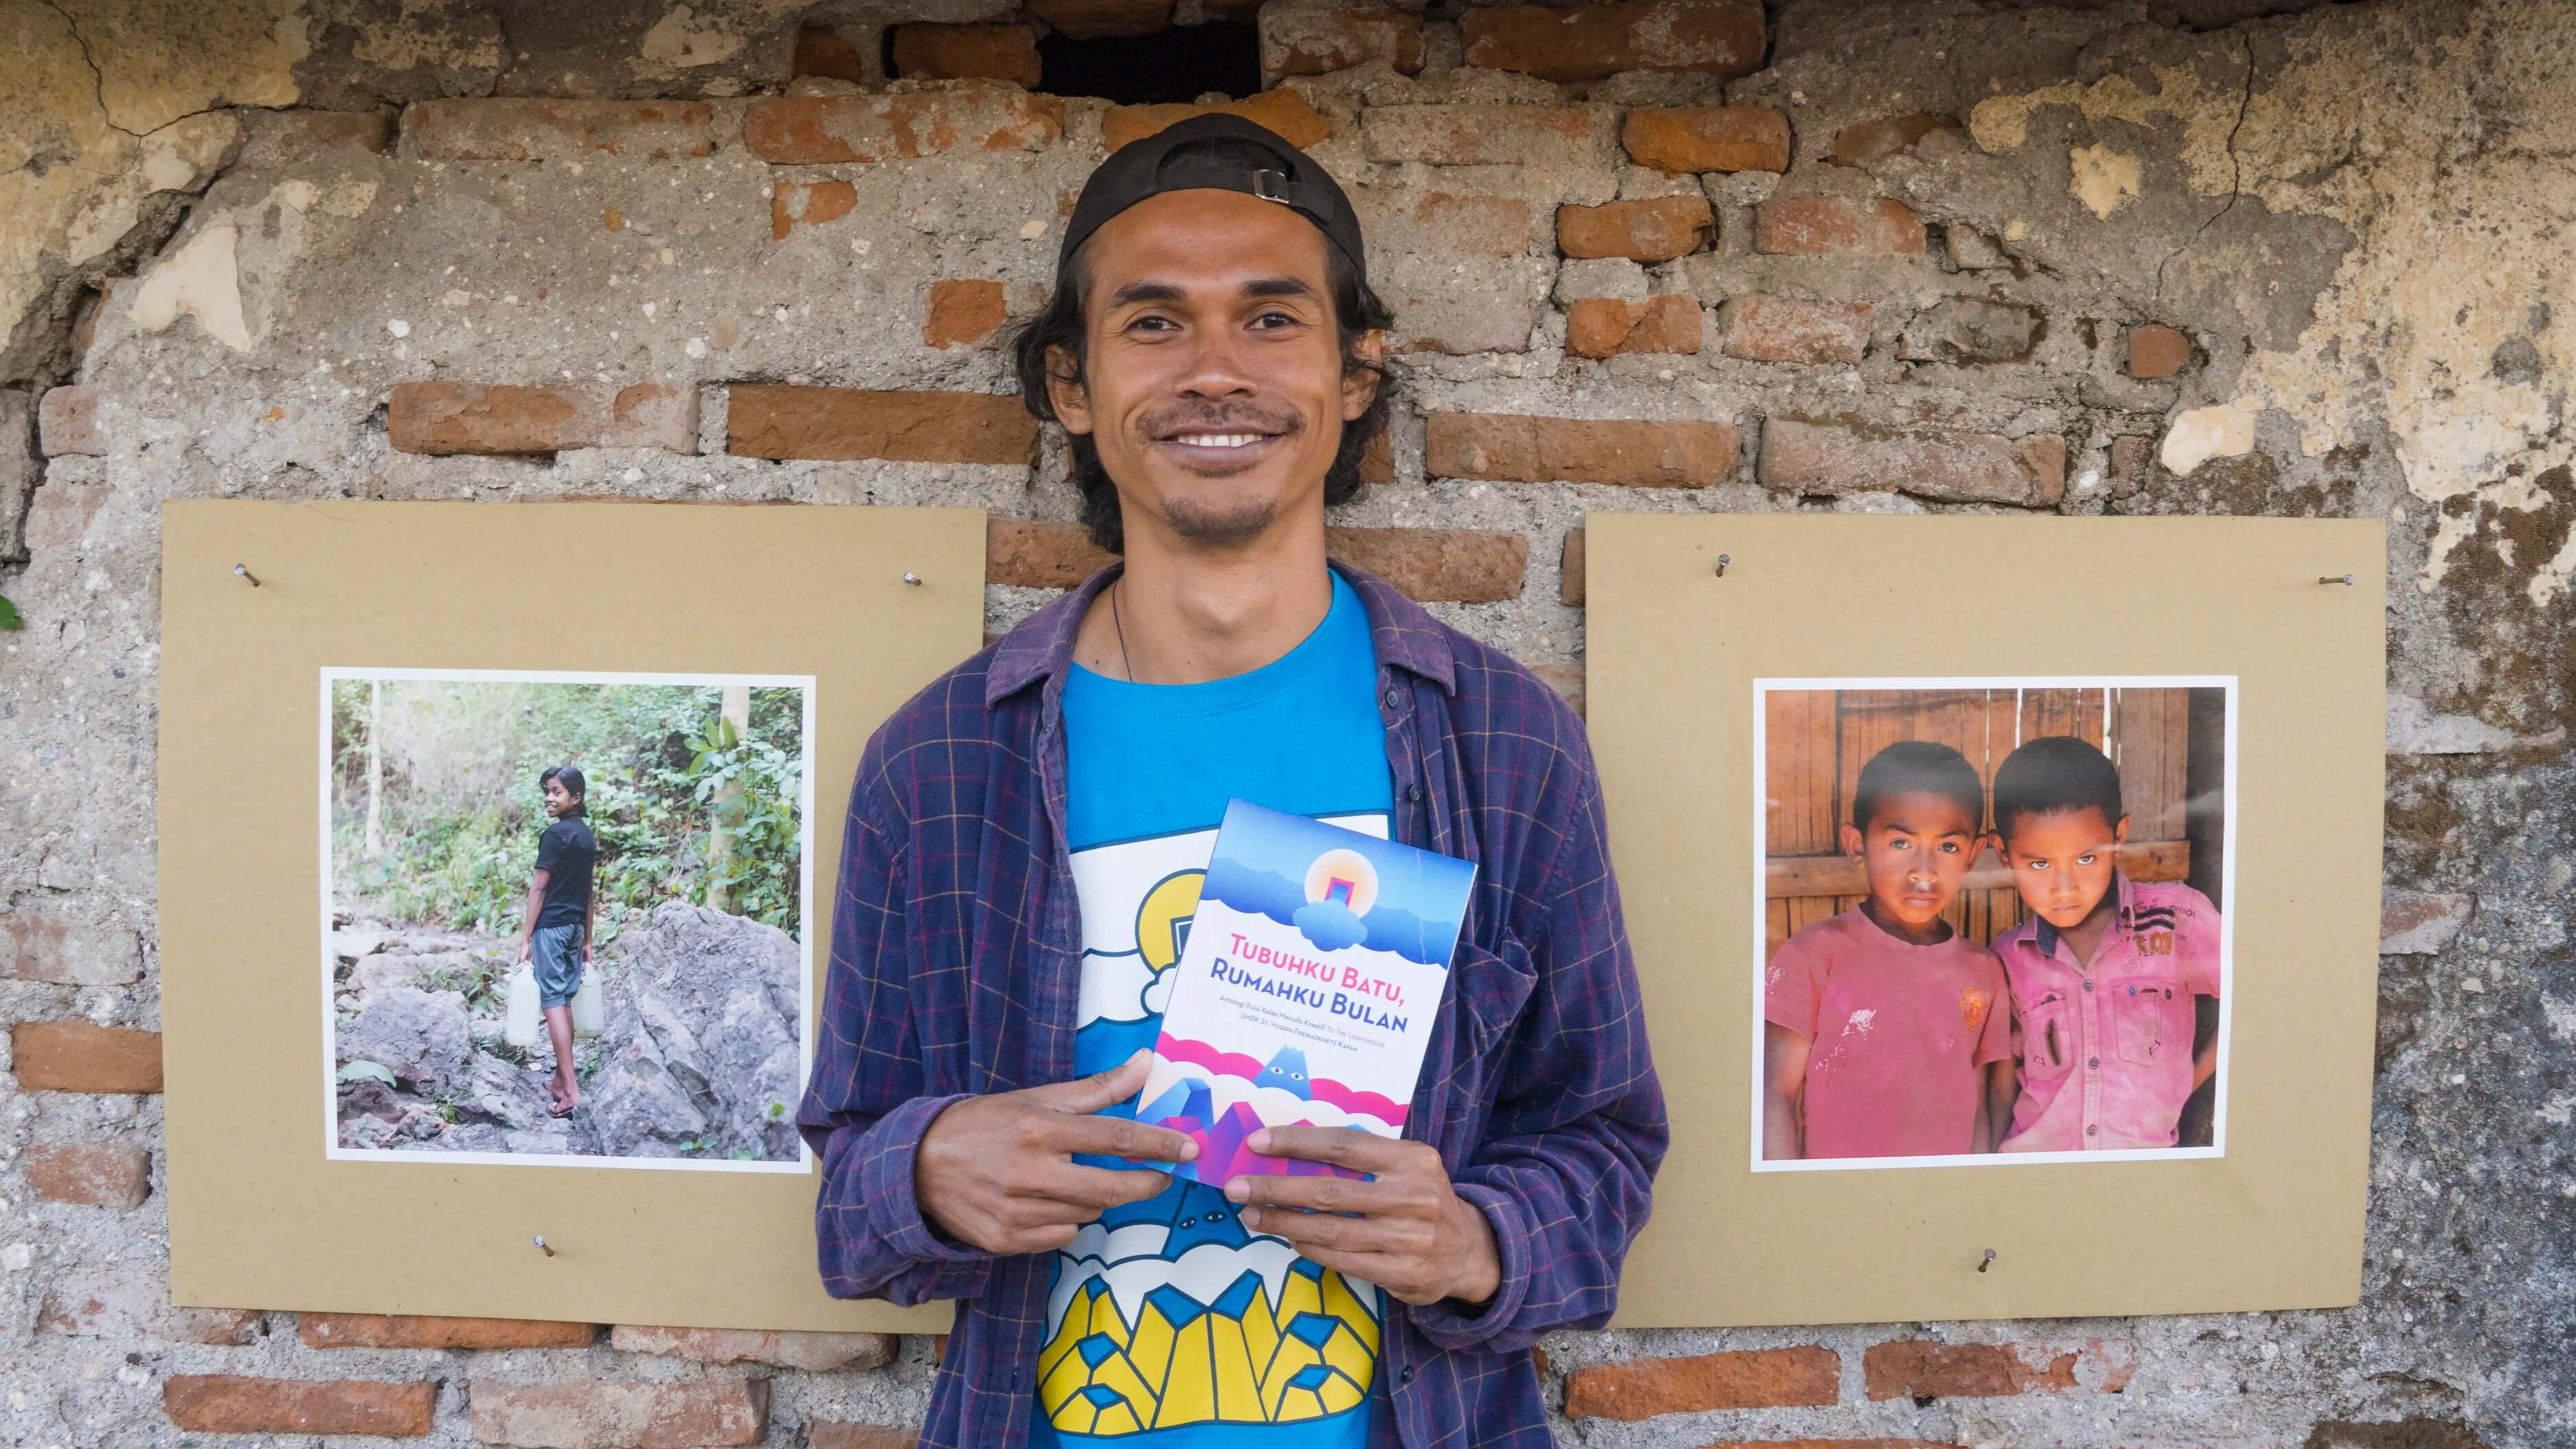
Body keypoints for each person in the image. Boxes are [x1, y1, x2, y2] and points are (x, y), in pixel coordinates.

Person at [796, 115, 1665, 1449]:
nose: (1215, 371)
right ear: (1071, 382)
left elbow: (1604, 1135)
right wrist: (920, 1167)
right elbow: (848, 1173)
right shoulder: (938, 760)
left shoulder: (1502, 739)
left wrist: (1474, 1236)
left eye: (1270, 320)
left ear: (1355, 370)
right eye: (1154, 324)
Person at [1761, 740, 2013, 1161]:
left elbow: (1979, 1111)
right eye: (1900, 843)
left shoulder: (1984, 972)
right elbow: (1775, 1095)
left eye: (1948, 846)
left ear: (1972, 854)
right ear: (1857, 845)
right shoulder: (1812, 957)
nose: (1924, 870)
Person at [1987, 735, 2222, 1151]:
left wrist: (2186, 1082)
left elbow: (2257, 1002)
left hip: (2139, 1173)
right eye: (2039, 864)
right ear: (2004, 855)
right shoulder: (2007, 960)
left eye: (2086, 859)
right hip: (2034, 1169)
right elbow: (2003, 1085)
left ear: (2119, 837)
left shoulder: (2177, 922)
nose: (2064, 887)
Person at [516, 764, 595, 1117]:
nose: (549, 798)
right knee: (563, 1000)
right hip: (575, 928)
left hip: (551, 928)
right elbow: (589, 893)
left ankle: (572, 1091)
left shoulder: (555, 835)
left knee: (552, 1001)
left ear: (575, 798)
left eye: (557, 792)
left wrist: (525, 939)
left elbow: (539, 889)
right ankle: (561, 1081)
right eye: (547, 791)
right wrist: (588, 939)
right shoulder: (587, 836)